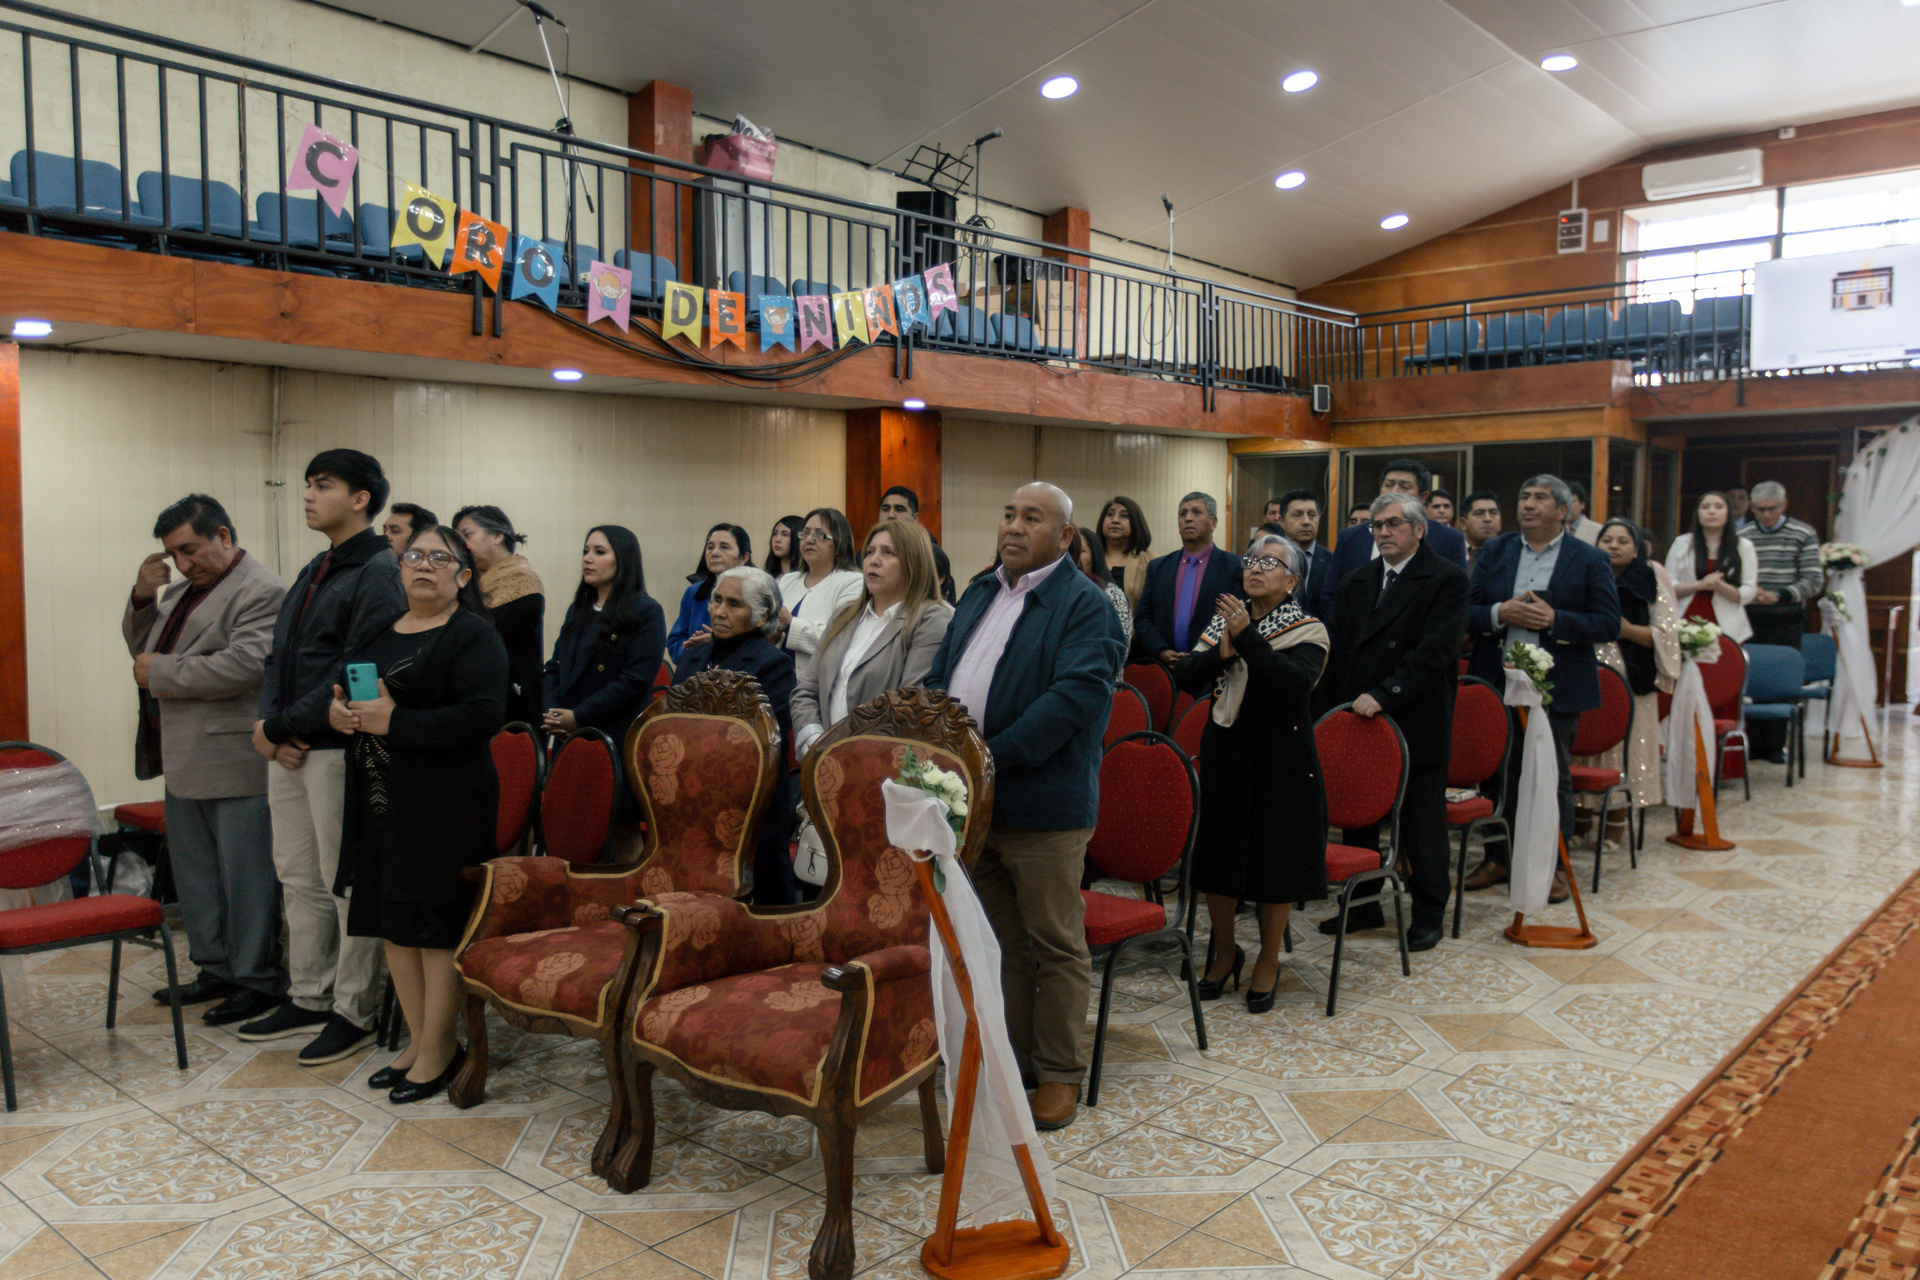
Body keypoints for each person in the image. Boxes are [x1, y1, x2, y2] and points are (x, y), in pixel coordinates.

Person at [924, 482, 1125, 1131]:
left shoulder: (1086, 605)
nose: (1013, 526)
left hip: (1044, 804)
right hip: (979, 804)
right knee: (1000, 942)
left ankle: (1060, 1072)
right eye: (1008, 514)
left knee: (1054, 943)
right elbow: (942, 675)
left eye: (1031, 518)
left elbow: (1072, 700)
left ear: (1065, 536)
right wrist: (938, 741)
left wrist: (986, 758)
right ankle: (1016, 1062)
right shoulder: (980, 591)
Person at [329, 523, 506, 1104]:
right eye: (414, 556)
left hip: (445, 803)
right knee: (394, 925)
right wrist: (340, 714)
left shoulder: (473, 635)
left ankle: (440, 1048)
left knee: (433, 929)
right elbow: (354, 695)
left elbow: (482, 716)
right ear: (400, 568)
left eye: (439, 557)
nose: (424, 564)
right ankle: (419, 1041)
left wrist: (395, 722)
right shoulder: (382, 630)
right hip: (381, 799)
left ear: (463, 575)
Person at [245, 449, 405, 1063]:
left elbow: (356, 667)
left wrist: (282, 725)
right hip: (291, 747)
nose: (308, 495)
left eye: (323, 485)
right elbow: (278, 654)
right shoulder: (319, 565)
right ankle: (308, 993)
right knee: (297, 875)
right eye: (308, 485)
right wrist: (268, 726)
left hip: (337, 749)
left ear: (360, 499)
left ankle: (353, 1008)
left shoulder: (378, 570)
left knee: (345, 884)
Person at [125, 495, 289, 1028]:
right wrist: (142, 598)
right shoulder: (180, 592)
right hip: (183, 755)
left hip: (235, 757)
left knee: (246, 879)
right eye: (174, 554)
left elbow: (247, 665)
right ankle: (214, 967)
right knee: (196, 876)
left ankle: (256, 978)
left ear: (223, 535)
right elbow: (143, 651)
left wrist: (162, 674)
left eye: (190, 549)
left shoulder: (261, 589)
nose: (182, 563)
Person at [1173, 534, 1328, 1011]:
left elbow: (1291, 685)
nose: (1256, 568)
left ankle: (1267, 958)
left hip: (1283, 760)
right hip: (1226, 752)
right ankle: (1224, 953)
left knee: (1274, 863)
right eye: (1251, 560)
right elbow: (1185, 676)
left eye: (1270, 563)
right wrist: (1220, 651)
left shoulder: (1308, 629)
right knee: (1217, 862)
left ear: (1292, 581)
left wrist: (1245, 639)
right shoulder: (1227, 619)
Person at [1317, 494, 1469, 951]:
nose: (1383, 532)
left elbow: (1435, 651)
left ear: (1419, 530)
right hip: (1360, 716)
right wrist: (1334, 712)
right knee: (1359, 819)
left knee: (1422, 824)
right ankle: (1363, 905)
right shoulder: (1357, 581)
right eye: (1376, 525)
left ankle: (1428, 911)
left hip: (1415, 713)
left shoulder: (1445, 577)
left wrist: (1385, 695)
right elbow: (1342, 654)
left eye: (1393, 524)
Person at [1462, 476, 1621, 898]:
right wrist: (1500, 612)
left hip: (1558, 682)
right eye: (1524, 497)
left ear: (1563, 510)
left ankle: (1554, 865)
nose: (1528, 504)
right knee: (1497, 773)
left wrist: (1556, 620)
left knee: (1551, 773)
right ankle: (1498, 857)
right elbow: (1466, 610)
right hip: (1498, 678)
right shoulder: (1496, 550)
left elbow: (1608, 623)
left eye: (1540, 498)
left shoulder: (1588, 558)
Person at [673, 567, 798, 906]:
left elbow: (760, 739)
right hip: (692, 796)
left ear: (762, 617)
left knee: (765, 909)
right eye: (716, 600)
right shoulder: (694, 656)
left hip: (750, 804)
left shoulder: (774, 664)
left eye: (733, 604)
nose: (719, 611)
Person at [792, 520, 953, 756]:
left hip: (881, 761)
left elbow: (910, 707)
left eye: (888, 553)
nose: (873, 560)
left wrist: (850, 756)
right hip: (822, 758)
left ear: (914, 562)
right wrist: (815, 742)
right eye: (869, 552)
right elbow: (806, 690)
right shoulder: (844, 615)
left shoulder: (929, 618)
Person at [541, 525, 667, 822]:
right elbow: (555, 667)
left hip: (614, 734)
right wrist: (552, 714)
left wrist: (579, 716)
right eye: (585, 551)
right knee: (568, 824)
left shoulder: (645, 611)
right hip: (568, 732)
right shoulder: (579, 609)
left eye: (599, 552)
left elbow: (634, 681)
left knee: (617, 827)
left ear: (623, 559)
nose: (588, 558)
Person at [1585, 519, 1680, 835]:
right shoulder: (1584, 574)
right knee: (1585, 744)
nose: (1613, 546)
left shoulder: (1649, 580)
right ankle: (1580, 818)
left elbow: (1667, 634)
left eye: (1622, 541)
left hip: (1633, 679)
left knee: (1628, 749)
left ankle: (1617, 821)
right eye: (1607, 540)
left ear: (1636, 549)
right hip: (1588, 675)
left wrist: (1627, 631)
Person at [1319, 460, 1468, 617]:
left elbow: (1455, 600)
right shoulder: (1351, 537)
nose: (1394, 491)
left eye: (1405, 487)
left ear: (1423, 496)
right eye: (1389, 485)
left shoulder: (1449, 538)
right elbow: (1331, 595)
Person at [1740, 480, 1823, 761]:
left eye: (1771, 509)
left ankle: (1776, 746)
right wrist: (1750, 592)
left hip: (1786, 617)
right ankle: (1752, 745)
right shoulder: (1743, 534)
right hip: (1751, 617)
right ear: (1751, 508)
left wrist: (1780, 595)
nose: (1766, 515)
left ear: (1784, 505)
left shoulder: (1803, 533)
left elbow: (1813, 580)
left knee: (1781, 682)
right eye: (1759, 509)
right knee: (1751, 679)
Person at [452, 505, 543, 727]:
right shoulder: (473, 582)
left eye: (467, 535)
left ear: (497, 535)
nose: (462, 545)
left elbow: (481, 636)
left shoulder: (521, 579)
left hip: (513, 703)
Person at [1135, 492, 1242, 670]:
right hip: (1164, 668)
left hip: (1212, 669)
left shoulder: (1233, 567)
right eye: (1183, 513)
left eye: (1196, 512)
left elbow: (1237, 619)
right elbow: (1143, 618)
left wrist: (1203, 658)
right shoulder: (1158, 567)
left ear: (1213, 522)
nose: (1188, 518)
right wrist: (1161, 650)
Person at [777, 508, 864, 676]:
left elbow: (841, 638)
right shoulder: (787, 580)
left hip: (820, 681)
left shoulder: (853, 582)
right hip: (779, 677)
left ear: (839, 545)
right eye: (805, 533)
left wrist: (790, 623)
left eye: (820, 535)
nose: (809, 539)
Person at [1665, 492, 1758, 642]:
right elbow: (1668, 586)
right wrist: (1701, 584)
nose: (1712, 511)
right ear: (1698, 513)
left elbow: (1748, 592)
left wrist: (1719, 586)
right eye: (1705, 507)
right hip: (1685, 621)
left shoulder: (1744, 547)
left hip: (1728, 626)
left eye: (1719, 507)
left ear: (1728, 513)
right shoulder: (1681, 543)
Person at [666, 523, 750, 663]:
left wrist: (719, 643)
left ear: (744, 557)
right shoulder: (693, 592)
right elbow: (674, 642)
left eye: (724, 547)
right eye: (710, 547)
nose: (714, 553)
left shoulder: (756, 592)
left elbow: (766, 640)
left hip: (741, 671)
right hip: (698, 670)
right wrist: (691, 648)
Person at [878, 485, 957, 603]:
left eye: (899, 509)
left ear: (915, 518)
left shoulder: (928, 554)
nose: (891, 515)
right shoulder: (867, 554)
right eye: (885, 509)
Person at [1069, 525, 1133, 668]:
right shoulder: (1063, 591)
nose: (1074, 556)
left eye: (1081, 551)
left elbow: (1120, 650)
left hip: (1101, 677)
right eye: (1070, 551)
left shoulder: (1111, 593)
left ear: (1095, 556)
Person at [1274, 489, 1332, 613]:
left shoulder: (1331, 561)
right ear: (1281, 521)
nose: (1306, 521)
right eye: (1297, 515)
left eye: (1312, 515)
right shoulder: (1270, 560)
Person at [1098, 496, 1153, 615]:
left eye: (1123, 516)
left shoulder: (1150, 560)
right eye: (1110, 514)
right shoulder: (1089, 556)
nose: (1115, 520)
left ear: (1136, 522)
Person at [1461, 491, 1502, 571]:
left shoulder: (1510, 556)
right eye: (1479, 513)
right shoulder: (1452, 555)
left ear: (1500, 523)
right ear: (1463, 524)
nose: (1487, 519)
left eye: (1493, 513)